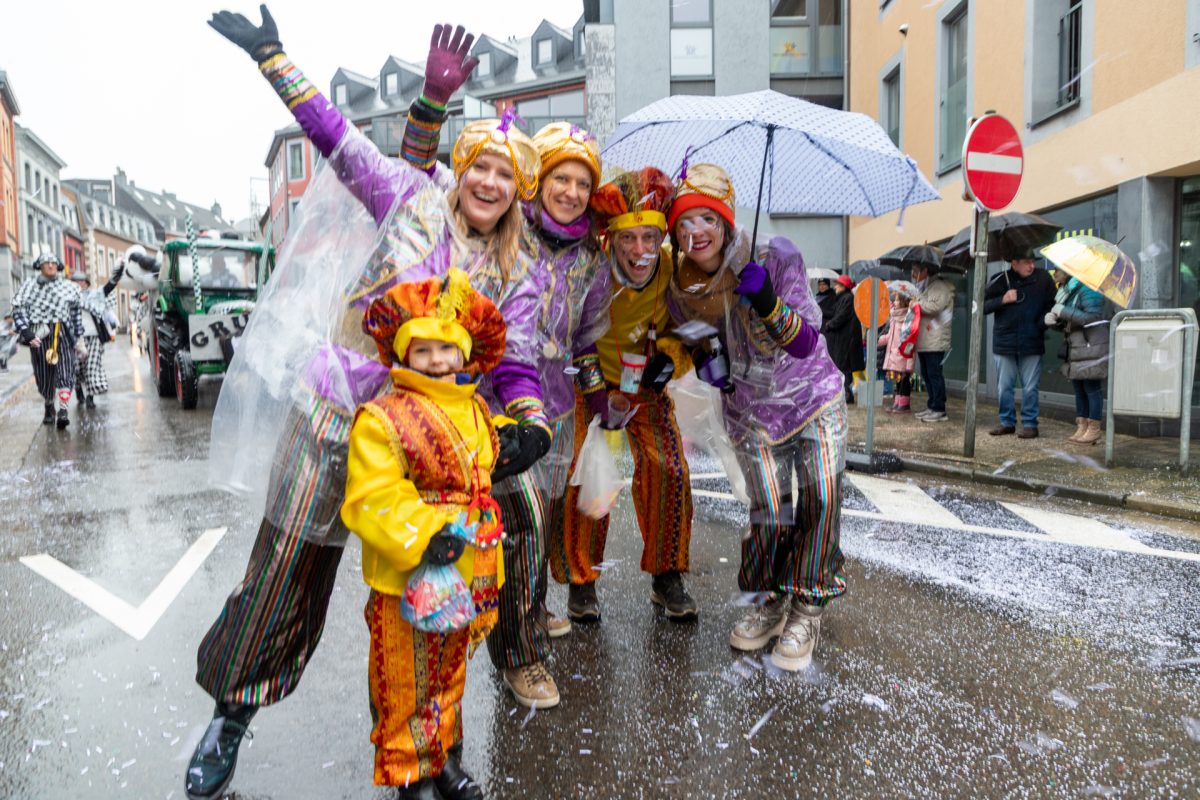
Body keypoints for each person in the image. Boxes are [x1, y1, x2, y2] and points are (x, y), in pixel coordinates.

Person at [188, 10, 545, 800]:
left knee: (431, 596)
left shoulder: (520, 267)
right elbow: (333, 134)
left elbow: (516, 361)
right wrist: (274, 59)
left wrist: (532, 424)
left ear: (518, 189)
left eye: (505, 174)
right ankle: (231, 718)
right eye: (480, 165)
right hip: (339, 415)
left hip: (427, 446)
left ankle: (428, 753)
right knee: (286, 569)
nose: (489, 182)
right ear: (465, 164)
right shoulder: (408, 198)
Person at [667, 163, 848, 672]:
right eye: (684, 224)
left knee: (820, 499)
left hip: (813, 398)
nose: (695, 232)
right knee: (769, 507)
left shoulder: (775, 255)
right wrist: (711, 363)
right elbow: (700, 349)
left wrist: (767, 300)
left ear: (725, 220)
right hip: (751, 413)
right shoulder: (681, 286)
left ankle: (807, 606)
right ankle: (768, 599)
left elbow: (808, 339)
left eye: (706, 218)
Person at [341, 269, 506, 799]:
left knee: (450, 673)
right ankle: (409, 770)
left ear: (465, 354)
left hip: (468, 572)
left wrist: (518, 437)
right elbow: (373, 496)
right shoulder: (382, 418)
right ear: (403, 355)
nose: (437, 361)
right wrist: (424, 533)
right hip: (409, 575)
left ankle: (441, 758)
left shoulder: (477, 407)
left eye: (447, 349)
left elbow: (479, 463)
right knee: (405, 678)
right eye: (424, 350)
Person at [468, 121, 610, 709]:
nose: (572, 191)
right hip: (489, 404)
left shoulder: (593, 261)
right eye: (561, 178)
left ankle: (529, 610)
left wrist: (600, 398)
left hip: (553, 408)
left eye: (582, 183)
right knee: (513, 525)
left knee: (541, 518)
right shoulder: (508, 233)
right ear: (539, 179)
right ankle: (516, 652)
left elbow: (588, 341)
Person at [551, 167, 697, 626]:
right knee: (585, 473)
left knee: (668, 468)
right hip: (592, 386)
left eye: (649, 239)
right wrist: (597, 399)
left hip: (644, 388)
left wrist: (671, 358)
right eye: (629, 239)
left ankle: (667, 574)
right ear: (611, 239)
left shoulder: (671, 268)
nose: (640, 251)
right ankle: (581, 581)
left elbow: (691, 328)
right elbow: (573, 334)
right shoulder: (591, 270)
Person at [983, 250, 1056, 438]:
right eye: (1026, 262)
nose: (1031, 266)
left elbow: (1052, 305)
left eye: (1033, 261)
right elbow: (982, 306)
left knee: (1030, 386)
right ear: (1013, 262)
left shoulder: (1043, 279)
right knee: (1004, 387)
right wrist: (1003, 299)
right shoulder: (999, 279)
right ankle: (1007, 422)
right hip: (1004, 342)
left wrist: (1043, 323)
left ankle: (1030, 424)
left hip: (1032, 340)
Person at [11, 253, 84, 428]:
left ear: (58, 266)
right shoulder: (29, 286)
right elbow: (18, 309)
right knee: (44, 375)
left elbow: (75, 314)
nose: (50, 265)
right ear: (40, 266)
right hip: (39, 334)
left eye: (53, 262)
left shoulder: (69, 287)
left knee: (66, 371)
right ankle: (49, 404)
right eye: (46, 263)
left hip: (62, 333)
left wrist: (79, 338)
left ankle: (63, 410)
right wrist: (27, 333)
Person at [1046, 275, 1109, 445]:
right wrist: (1055, 323)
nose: (1055, 272)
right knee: (1079, 387)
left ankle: (1094, 428)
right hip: (1077, 346)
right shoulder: (1070, 290)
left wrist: (1063, 311)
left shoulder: (1089, 288)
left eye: (1058, 268)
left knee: (1091, 387)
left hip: (1090, 346)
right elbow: (1072, 322)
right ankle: (1082, 426)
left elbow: (1093, 318)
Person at [68, 265, 124, 408]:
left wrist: (116, 275)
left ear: (86, 283)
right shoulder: (67, 298)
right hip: (75, 338)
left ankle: (90, 397)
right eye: (75, 282)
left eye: (81, 282)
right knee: (76, 368)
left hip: (93, 337)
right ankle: (79, 389)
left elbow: (108, 288)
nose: (78, 284)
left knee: (91, 367)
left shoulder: (94, 296)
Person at [909, 260, 955, 422]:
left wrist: (917, 304)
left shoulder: (940, 287)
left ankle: (939, 408)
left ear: (925, 270)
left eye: (916, 270)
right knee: (927, 374)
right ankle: (932, 405)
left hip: (935, 338)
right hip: (926, 338)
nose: (914, 275)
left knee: (934, 374)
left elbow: (935, 308)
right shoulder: (929, 287)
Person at [820, 274, 864, 405]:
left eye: (837, 285)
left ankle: (847, 395)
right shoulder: (842, 298)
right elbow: (833, 313)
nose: (835, 287)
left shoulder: (848, 299)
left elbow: (840, 317)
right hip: (843, 340)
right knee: (842, 367)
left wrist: (829, 325)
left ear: (844, 286)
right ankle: (844, 394)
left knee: (844, 367)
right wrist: (820, 310)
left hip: (847, 341)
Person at [878, 290, 916, 413]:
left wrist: (910, 363)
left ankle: (904, 403)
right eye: (894, 300)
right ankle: (898, 402)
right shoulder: (894, 318)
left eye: (897, 300)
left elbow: (910, 341)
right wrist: (878, 340)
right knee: (898, 381)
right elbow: (890, 336)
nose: (894, 302)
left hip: (903, 356)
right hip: (894, 355)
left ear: (905, 302)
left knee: (904, 380)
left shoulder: (908, 319)